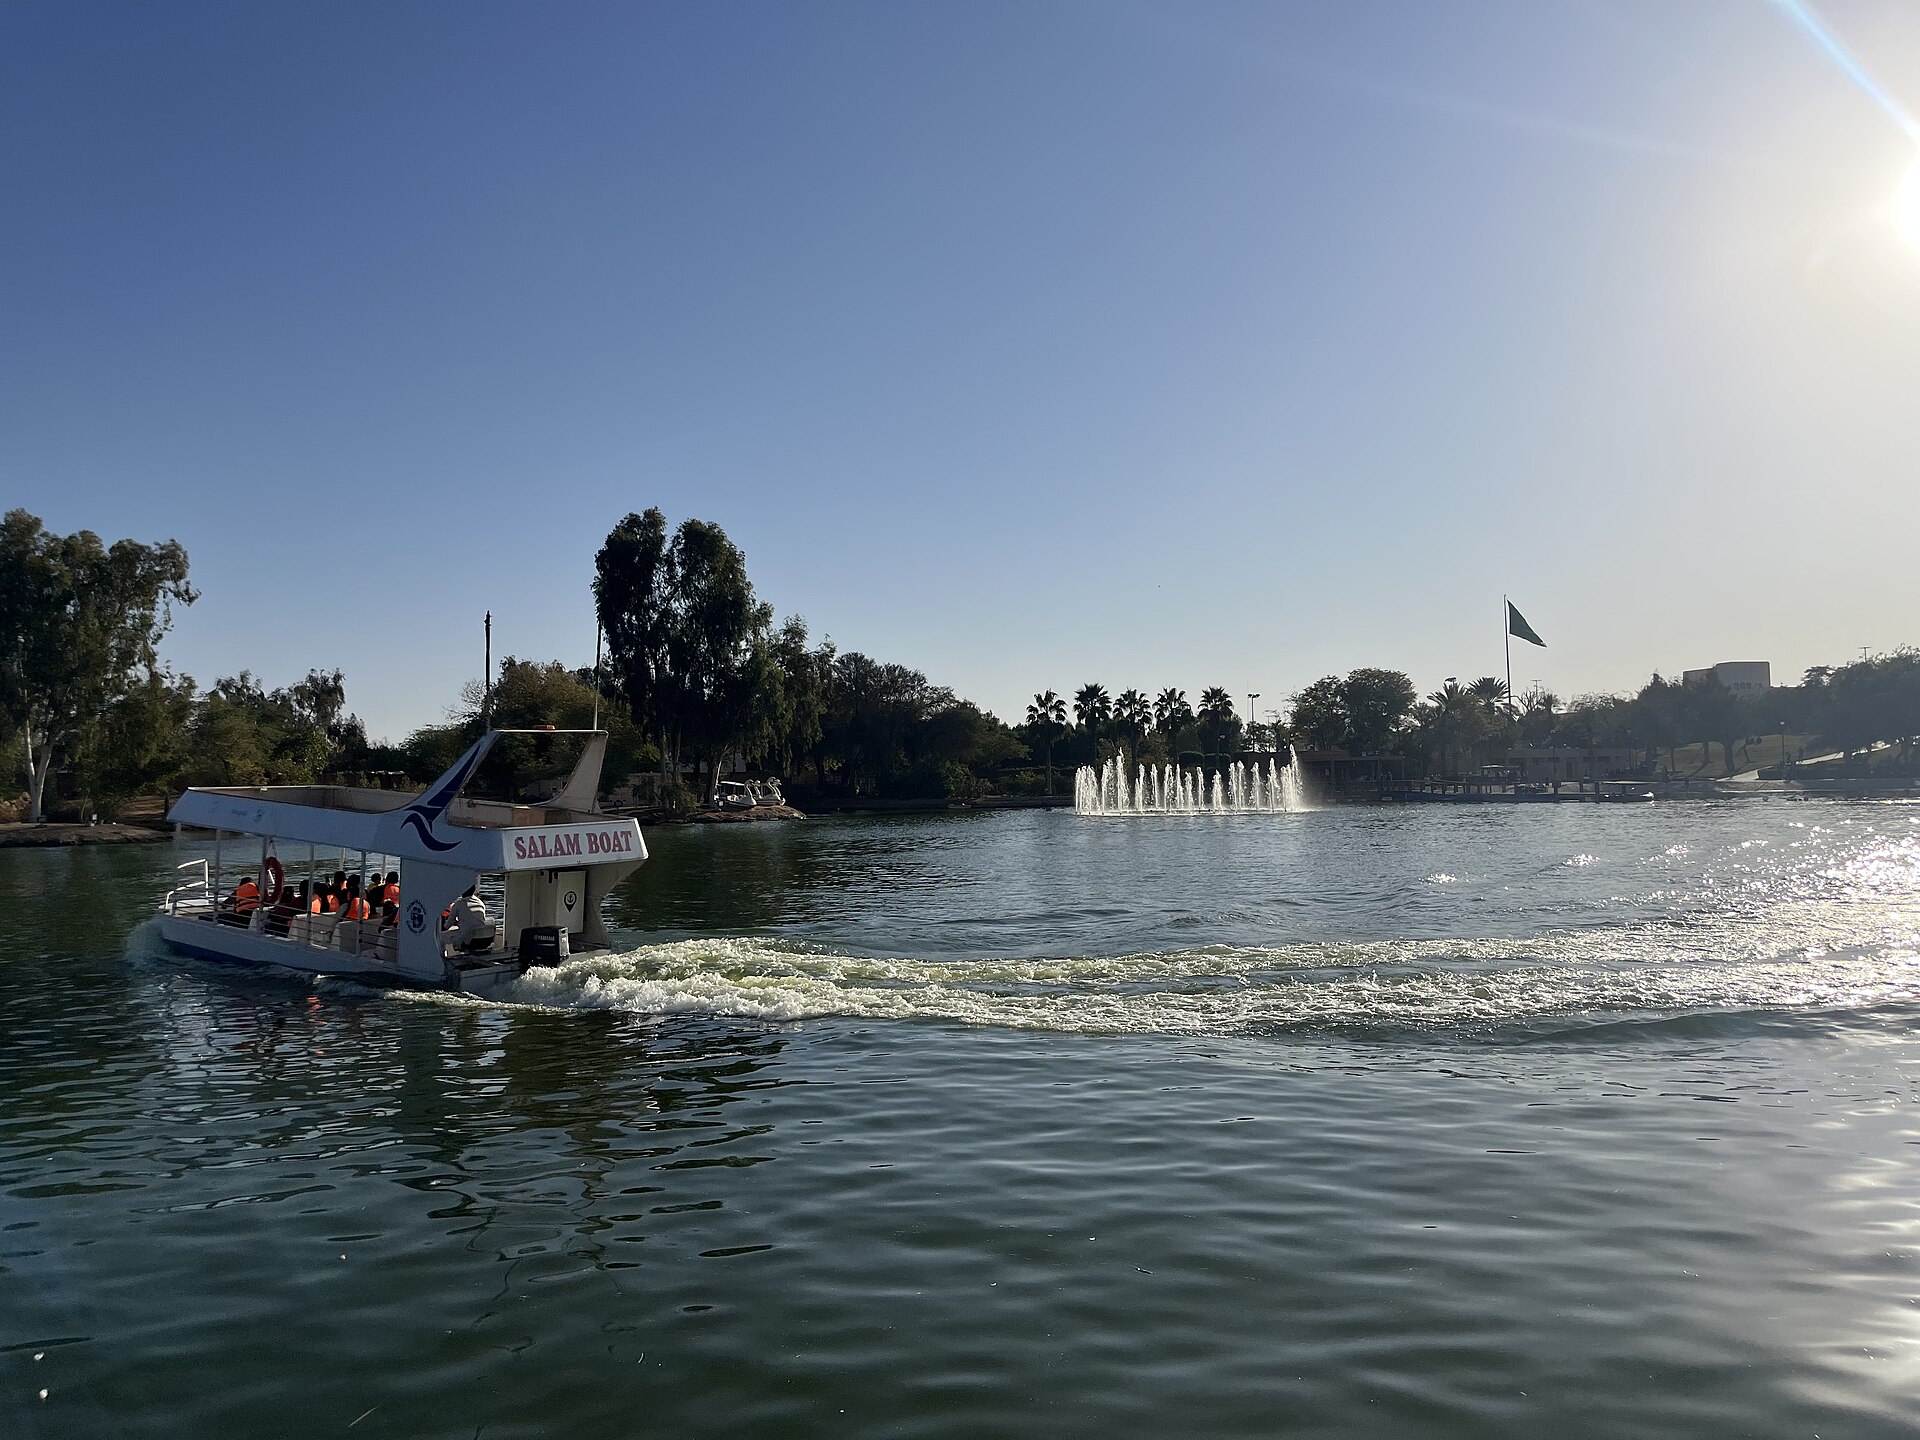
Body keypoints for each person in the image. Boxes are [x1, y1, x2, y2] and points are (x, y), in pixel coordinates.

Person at [443, 885, 493, 952]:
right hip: (483, 938)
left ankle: (442, 955)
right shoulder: (480, 903)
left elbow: (447, 926)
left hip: (468, 940)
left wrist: (443, 924)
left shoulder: (458, 904)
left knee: (442, 936)